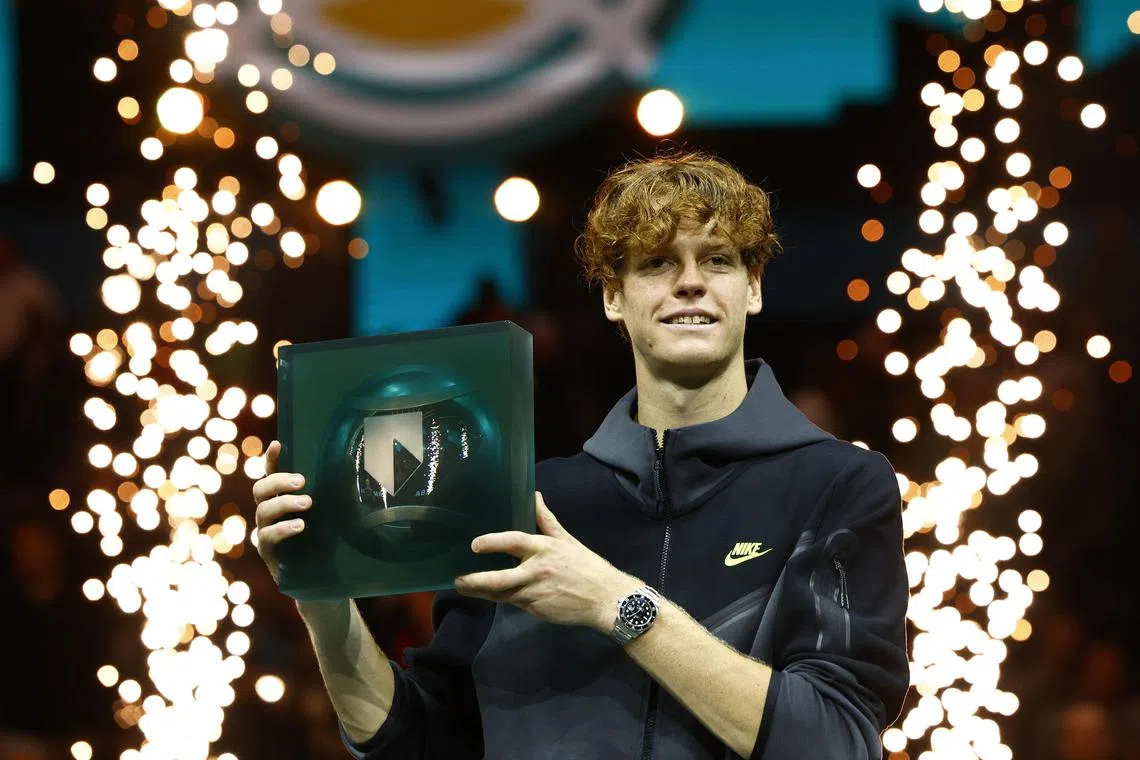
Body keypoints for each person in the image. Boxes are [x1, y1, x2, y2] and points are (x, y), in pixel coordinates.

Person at [251, 151, 910, 758]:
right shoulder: (526, 502)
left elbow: (836, 741)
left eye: (717, 260)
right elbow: (417, 743)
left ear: (753, 288)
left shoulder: (840, 485)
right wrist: (323, 592)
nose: (690, 283)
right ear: (612, 297)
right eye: (656, 263)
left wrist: (618, 606)